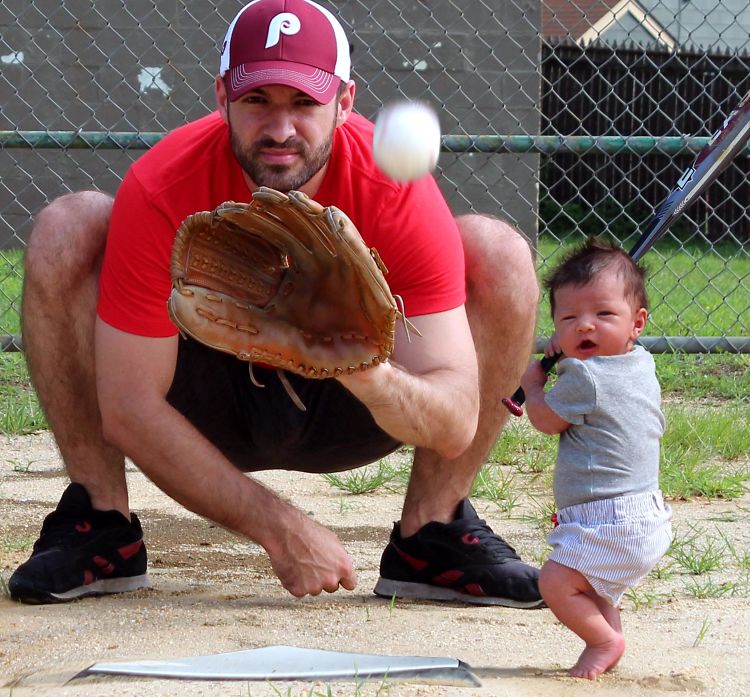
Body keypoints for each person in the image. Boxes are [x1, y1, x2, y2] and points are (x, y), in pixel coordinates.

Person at [10, 0, 542, 609]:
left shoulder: (393, 189)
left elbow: (453, 421)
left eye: (304, 103)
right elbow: (130, 407)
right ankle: (99, 525)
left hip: (353, 405)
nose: (281, 129)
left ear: (345, 102)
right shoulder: (165, 184)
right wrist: (278, 527)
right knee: (67, 227)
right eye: (258, 100)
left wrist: (364, 366)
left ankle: (433, 536)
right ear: (222, 97)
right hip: (208, 399)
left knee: (499, 251)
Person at [519, 239, 672, 678]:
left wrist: (533, 388)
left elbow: (547, 420)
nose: (585, 327)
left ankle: (603, 640)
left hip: (609, 518)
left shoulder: (584, 375)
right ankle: (610, 641)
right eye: (570, 318)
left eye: (603, 315)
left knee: (556, 582)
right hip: (643, 513)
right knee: (597, 587)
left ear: (636, 322)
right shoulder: (639, 363)